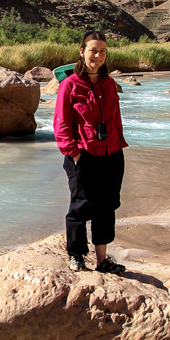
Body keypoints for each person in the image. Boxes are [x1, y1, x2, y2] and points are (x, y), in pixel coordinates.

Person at [53, 30, 128, 273]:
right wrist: (73, 152)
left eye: (103, 51)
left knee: (107, 206)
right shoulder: (69, 85)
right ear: (82, 52)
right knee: (81, 206)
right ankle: (77, 256)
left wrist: (117, 145)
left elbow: (115, 119)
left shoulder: (109, 83)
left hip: (112, 153)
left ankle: (102, 261)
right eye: (93, 50)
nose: (98, 55)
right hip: (83, 154)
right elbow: (61, 123)